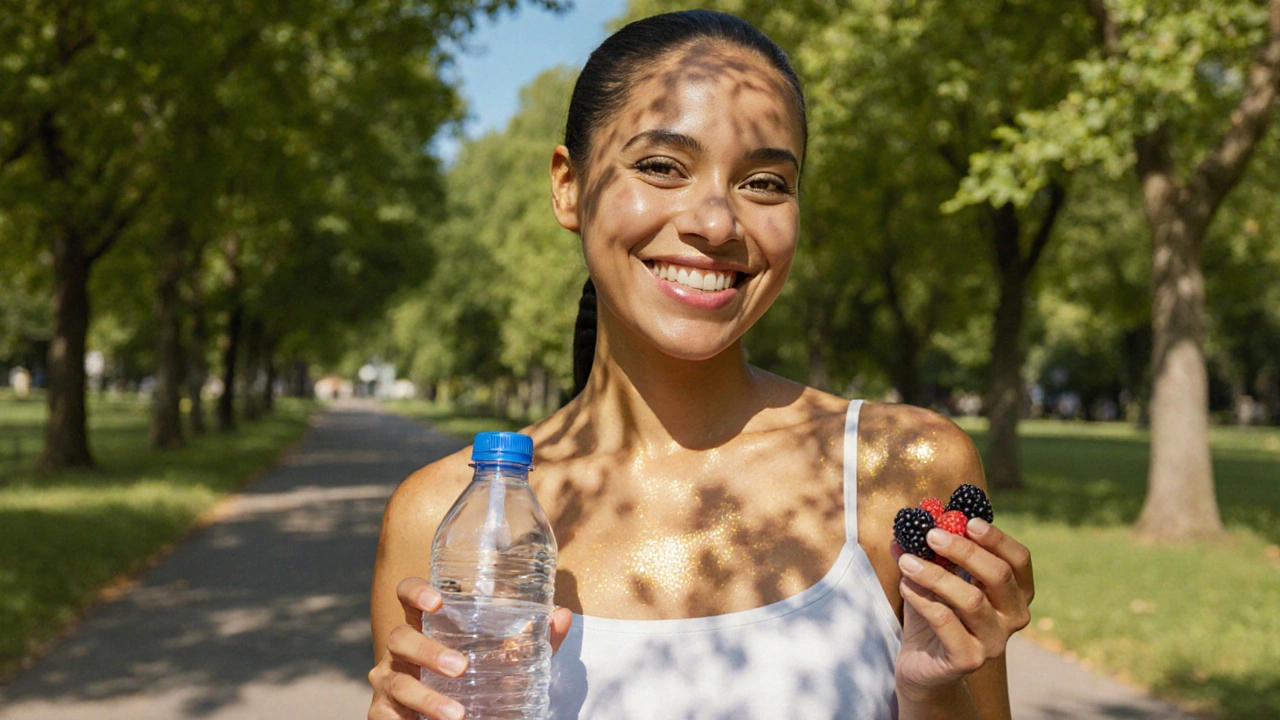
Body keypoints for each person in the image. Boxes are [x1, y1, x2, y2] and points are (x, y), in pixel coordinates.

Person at [368, 10, 1033, 720]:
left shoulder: (899, 469)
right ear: (568, 185)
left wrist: (934, 692)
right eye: (662, 167)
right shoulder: (448, 515)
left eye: (766, 182)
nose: (716, 222)